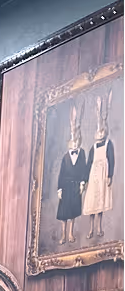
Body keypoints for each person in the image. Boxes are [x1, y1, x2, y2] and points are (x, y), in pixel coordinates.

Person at [83, 91, 115, 240]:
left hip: (103, 174)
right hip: (94, 175)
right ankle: (90, 228)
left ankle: (99, 227)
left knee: (100, 202)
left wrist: (110, 175)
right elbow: (88, 163)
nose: (100, 132)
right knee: (92, 202)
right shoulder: (93, 147)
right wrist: (85, 179)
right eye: (98, 130)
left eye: (102, 130)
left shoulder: (108, 144)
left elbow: (111, 159)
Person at [56, 103, 87, 244]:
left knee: (73, 211)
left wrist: (82, 183)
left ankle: (70, 234)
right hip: (66, 186)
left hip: (75, 185)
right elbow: (61, 174)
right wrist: (59, 189)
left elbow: (83, 169)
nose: (75, 144)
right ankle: (63, 234)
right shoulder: (65, 157)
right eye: (73, 141)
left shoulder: (82, 154)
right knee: (64, 213)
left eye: (77, 141)